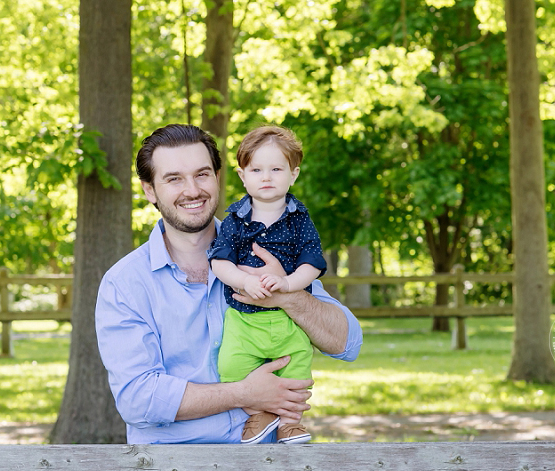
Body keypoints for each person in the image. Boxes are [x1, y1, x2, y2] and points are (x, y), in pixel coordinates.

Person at [95, 124, 362, 444]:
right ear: (149, 190)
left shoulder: (270, 249)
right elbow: (137, 399)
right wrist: (243, 394)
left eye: (202, 174)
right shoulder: (125, 283)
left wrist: (285, 295)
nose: (192, 190)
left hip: (267, 469)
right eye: (174, 178)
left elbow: (348, 343)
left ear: (219, 178)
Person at [208, 125, 323, 445]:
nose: (266, 176)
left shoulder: (300, 219)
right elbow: (219, 262)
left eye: (276, 169)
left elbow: (312, 263)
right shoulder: (235, 220)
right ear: (242, 176)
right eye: (256, 169)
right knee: (231, 365)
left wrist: (287, 283)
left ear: (293, 174)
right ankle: (257, 415)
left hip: (289, 322)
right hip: (244, 320)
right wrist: (245, 280)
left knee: (298, 366)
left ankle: (290, 423)